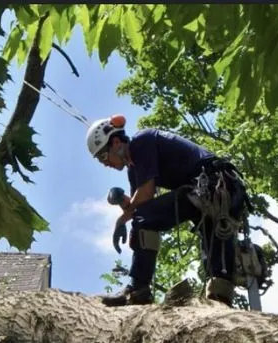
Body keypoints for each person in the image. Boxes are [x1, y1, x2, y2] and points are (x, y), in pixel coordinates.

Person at [86, 114, 249, 307]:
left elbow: (144, 197)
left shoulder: (141, 142)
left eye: (104, 157)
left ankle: (139, 289)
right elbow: (141, 204)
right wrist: (122, 202)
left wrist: (122, 220)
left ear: (115, 142)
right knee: (212, 245)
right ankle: (219, 300)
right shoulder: (134, 169)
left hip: (213, 185)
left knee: (147, 219)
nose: (106, 164)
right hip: (208, 191)